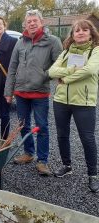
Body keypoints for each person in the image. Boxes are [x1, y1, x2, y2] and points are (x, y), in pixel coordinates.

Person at [4, 9, 62, 176]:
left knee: (42, 126)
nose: (31, 23)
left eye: (35, 21)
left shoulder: (53, 41)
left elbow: (59, 65)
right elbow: (12, 67)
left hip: (40, 93)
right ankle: (29, 153)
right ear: (25, 24)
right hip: (21, 92)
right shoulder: (20, 42)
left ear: (41, 22)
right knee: (23, 125)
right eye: (29, 21)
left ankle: (42, 161)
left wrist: (44, 75)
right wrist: (8, 91)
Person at [48, 20, 99, 192]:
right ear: (72, 35)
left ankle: (93, 175)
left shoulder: (95, 51)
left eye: (85, 30)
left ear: (91, 33)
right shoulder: (66, 52)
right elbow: (52, 71)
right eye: (77, 31)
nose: (81, 33)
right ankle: (66, 165)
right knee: (62, 135)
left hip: (84, 102)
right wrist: (71, 70)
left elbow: (90, 70)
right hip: (61, 100)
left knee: (87, 138)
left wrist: (66, 78)